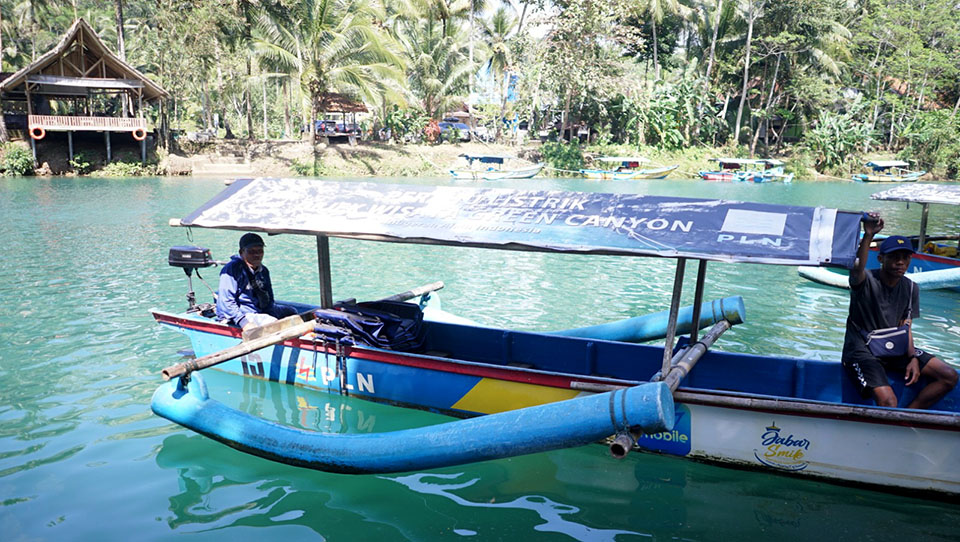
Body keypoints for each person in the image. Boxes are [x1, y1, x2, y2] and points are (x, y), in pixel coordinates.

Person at [842, 213, 957, 409]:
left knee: (948, 376)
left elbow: (906, 325)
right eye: (894, 257)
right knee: (888, 400)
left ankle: (909, 417)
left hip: (894, 348)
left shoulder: (911, 288)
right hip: (862, 351)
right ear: (880, 258)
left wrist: (912, 357)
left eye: (905, 257)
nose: (900, 262)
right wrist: (868, 234)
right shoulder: (865, 281)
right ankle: (894, 426)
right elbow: (857, 268)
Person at [216, 233, 297, 329]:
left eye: (260, 251)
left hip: (259, 310)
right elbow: (226, 301)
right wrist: (243, 322)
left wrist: (272, 311)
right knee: (272, 322)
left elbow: (269, 299)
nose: (257, 255)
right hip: (240, 314)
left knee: (292, 312)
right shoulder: (231, 270)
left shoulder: (264, 271)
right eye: (251, 251)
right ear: (241, 252)